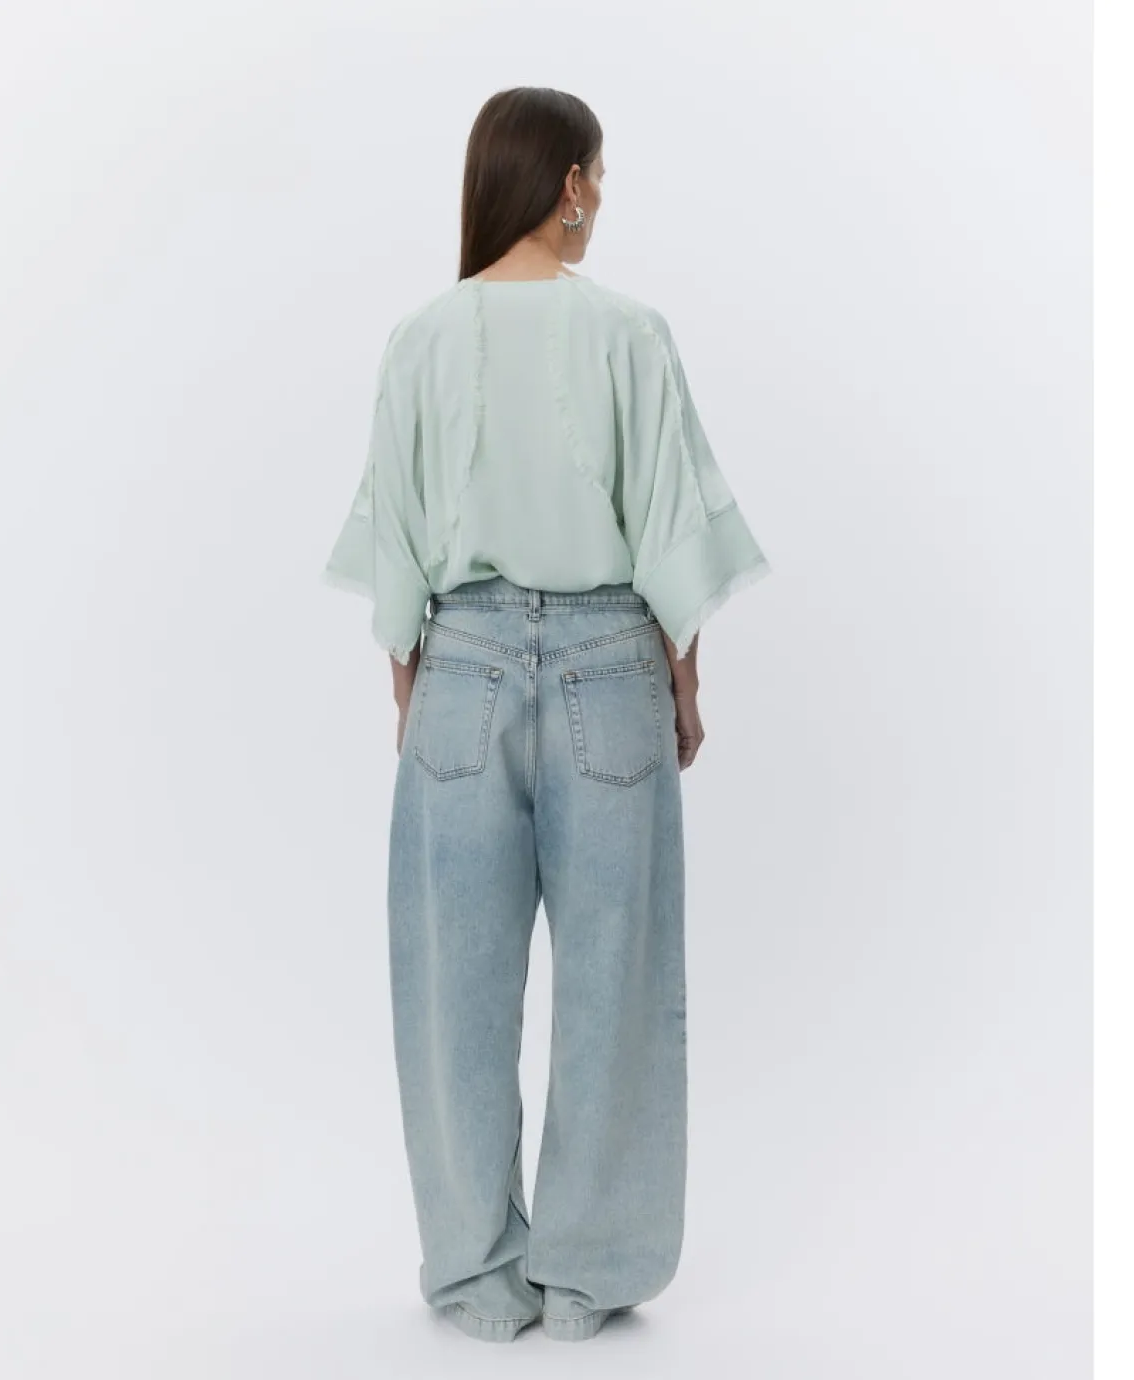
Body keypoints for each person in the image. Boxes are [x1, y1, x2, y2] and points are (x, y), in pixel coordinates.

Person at [323, 86, 771, 1343]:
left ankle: (476, 1276)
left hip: (458, 671)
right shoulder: (629, 333)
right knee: (618, 981)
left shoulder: (419, 339)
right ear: (567, 183)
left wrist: (417, 695)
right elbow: (669, 533)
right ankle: (587, 1279)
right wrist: (682, 685)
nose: (601, 199)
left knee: (450, 990)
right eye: (600, 176)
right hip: (609, 668)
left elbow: (398, 569)